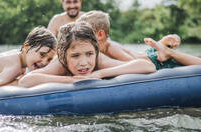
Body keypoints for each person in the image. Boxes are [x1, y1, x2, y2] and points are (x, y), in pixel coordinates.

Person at [18, 22, 156, 88]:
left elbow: (148, 66)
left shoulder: (99, 60)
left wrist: (100, 74)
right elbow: (25, 80)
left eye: (89, 54)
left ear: (96, 51)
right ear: (62, 55)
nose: (84, 62)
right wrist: (72, 80)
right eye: (75, 56)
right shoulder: (60, 64)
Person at [77, 10, 201, 73]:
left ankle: (167, 51)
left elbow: (135, 64)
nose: (80, 37)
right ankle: (162, 46)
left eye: (84, 33)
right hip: (148, 54)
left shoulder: (111, 48)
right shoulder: (98, 49)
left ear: (100, 35)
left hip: (156, 60)